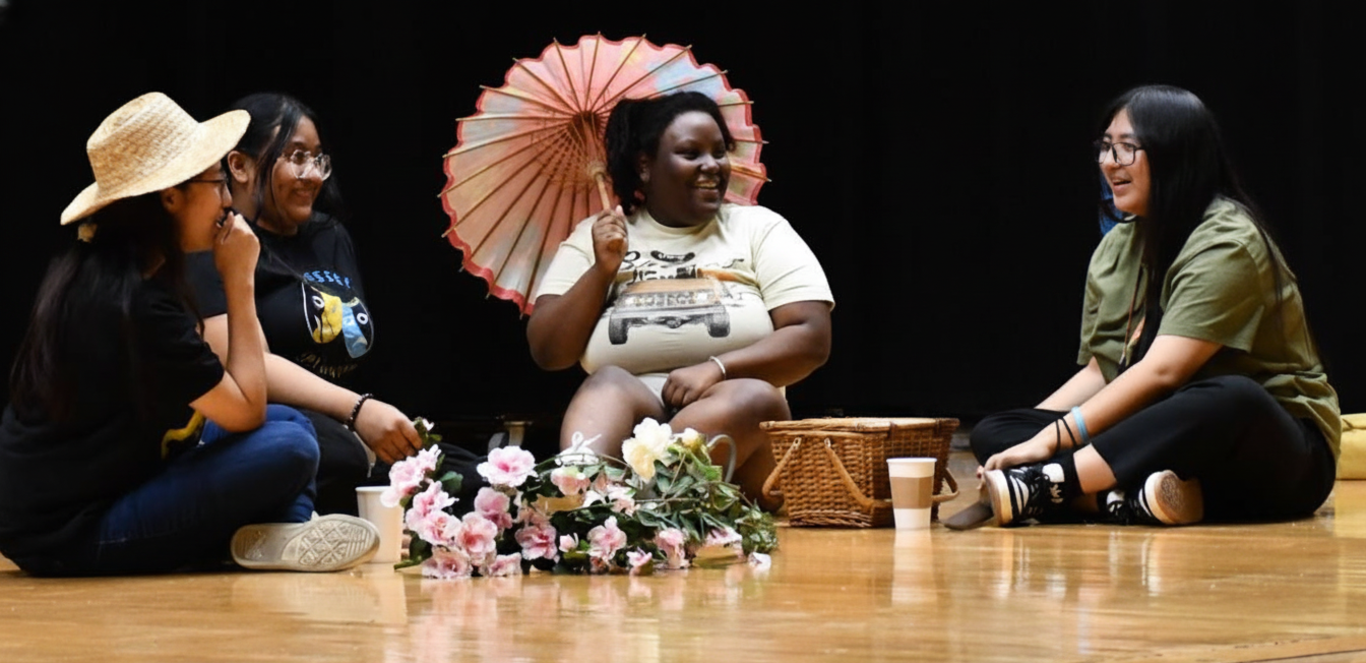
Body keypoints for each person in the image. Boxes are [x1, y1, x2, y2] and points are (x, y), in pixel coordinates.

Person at [0, 92, 379, 575]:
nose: (227, 200)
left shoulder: (116, 269)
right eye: (217, 182)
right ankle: (281, 529)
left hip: (114, 481)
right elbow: (245, 409)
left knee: (292, 426)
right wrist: (239, 281)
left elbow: (244, 404)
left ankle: (277, 534)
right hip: (70, 533)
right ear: (170, 196)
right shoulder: (133, 303)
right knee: (291, 447)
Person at [968, 85, 1338, 528]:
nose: (1108, 163)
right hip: (1162, 444)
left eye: (1126, 149)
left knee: (1232, 398)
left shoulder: (1228, 241)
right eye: (1105, 148)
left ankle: (1052, 486)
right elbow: (1100, 372)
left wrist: (1051, 448)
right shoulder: (1117, 248)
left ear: (1174, 154)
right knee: (996, 431)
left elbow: (1165, 372)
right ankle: (1125, 500)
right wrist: (1031, 442)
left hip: (1272, 452)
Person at [527, 92, 834, 507]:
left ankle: (629, 508)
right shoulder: (597, 236)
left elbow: (811, 336)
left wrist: (717, 368)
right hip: (634, 417)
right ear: (645, 166)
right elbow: (548, 351)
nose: (712, 165)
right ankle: (583, 497)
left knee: (754, 396)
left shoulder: (759, 228)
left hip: (736, 437)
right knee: (607, 382)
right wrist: (601, 271)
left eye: (719, 152)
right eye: (691, 153)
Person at [186, 93, 425, 516]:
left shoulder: (330, 236)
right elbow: (247, 365)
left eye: (319, 160)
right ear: (239, 166)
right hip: (272, 424)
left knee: (469, 477)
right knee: (332, 456)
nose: (312, 175)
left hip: (349, 422)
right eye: (296, 157)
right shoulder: (210, 246)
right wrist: (357, 411)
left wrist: (372, 421)